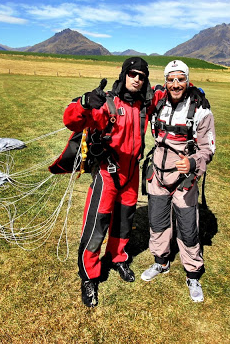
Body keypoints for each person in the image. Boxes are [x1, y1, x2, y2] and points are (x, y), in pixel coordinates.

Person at [62, 57, 152, 307]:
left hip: (132, 172)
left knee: (125, 220)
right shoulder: (107, 103)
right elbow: (71, 120)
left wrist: (194, 94)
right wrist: (83, 103)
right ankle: (89, 276)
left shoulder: (144, 105)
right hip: (108, 173)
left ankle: (118, 258)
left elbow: (170, 92)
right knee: (97, 225)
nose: (136, 78)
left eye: (141, 76)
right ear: (123, 75)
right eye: (132, 73)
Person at [140, 60, 216, 303]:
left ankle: (193, 273)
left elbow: (207, 149)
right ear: (165, 81)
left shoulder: (201, 111)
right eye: (171, 79)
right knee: (158, 221)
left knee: (187, 226)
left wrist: (193, 164)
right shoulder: (157, 104)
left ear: (187, 80)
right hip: (158, 174)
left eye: (180, 79)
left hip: (185, 178)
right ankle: (161, 262)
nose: (175, 84)